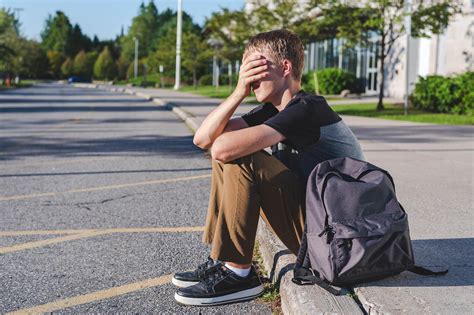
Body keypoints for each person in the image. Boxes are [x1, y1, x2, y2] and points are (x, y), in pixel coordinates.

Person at [173, 29, 365, 306]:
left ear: (285, 67)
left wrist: (229, 136)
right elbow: (203, 138)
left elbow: (222, 148)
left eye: (255, 68)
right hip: (319, 227)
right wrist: (238, 91)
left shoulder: (307, 109)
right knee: (228, 151)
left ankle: (240, 274)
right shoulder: (276, 110)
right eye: (245, 70)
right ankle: (223, 260)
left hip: (339, 239)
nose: (248, 78)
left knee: (240, 156)